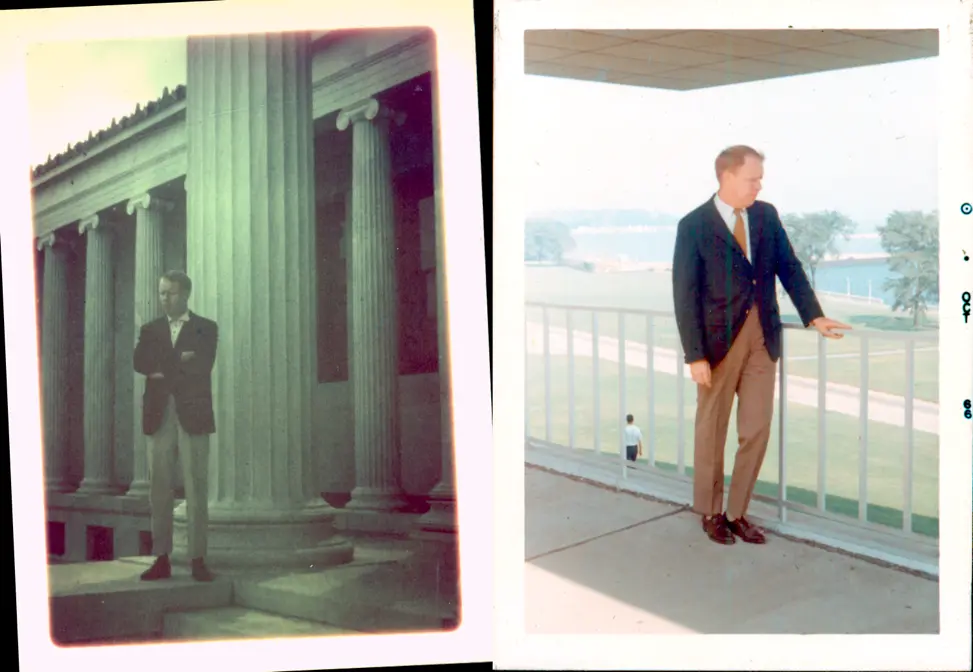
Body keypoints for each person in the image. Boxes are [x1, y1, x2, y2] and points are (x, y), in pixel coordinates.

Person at [671, 146, 850, 546]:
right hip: (717, 345)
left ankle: (737, 513)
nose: (759, 185)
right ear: (728, 177)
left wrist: (813, 315)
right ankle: (711, 512)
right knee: (711, 431)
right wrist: (694, 355)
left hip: (763, 337)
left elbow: (789, 266)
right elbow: (684, 294)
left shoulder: (766, 215)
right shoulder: (694, 225)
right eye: (753, 178)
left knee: (756, 429)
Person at [134, 270, 219, 580]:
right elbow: (140, 363)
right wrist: (177, 361)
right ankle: (161, 557)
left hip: (193, 415)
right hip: (159, 416)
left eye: (169, 292)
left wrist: (162, 368)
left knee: (197, 486)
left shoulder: (206, 328)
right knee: (159, 487)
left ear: (185, 294)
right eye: (161, 293)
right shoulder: (150, 329)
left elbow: (202, 366)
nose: (163, 298)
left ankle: (198, 558)